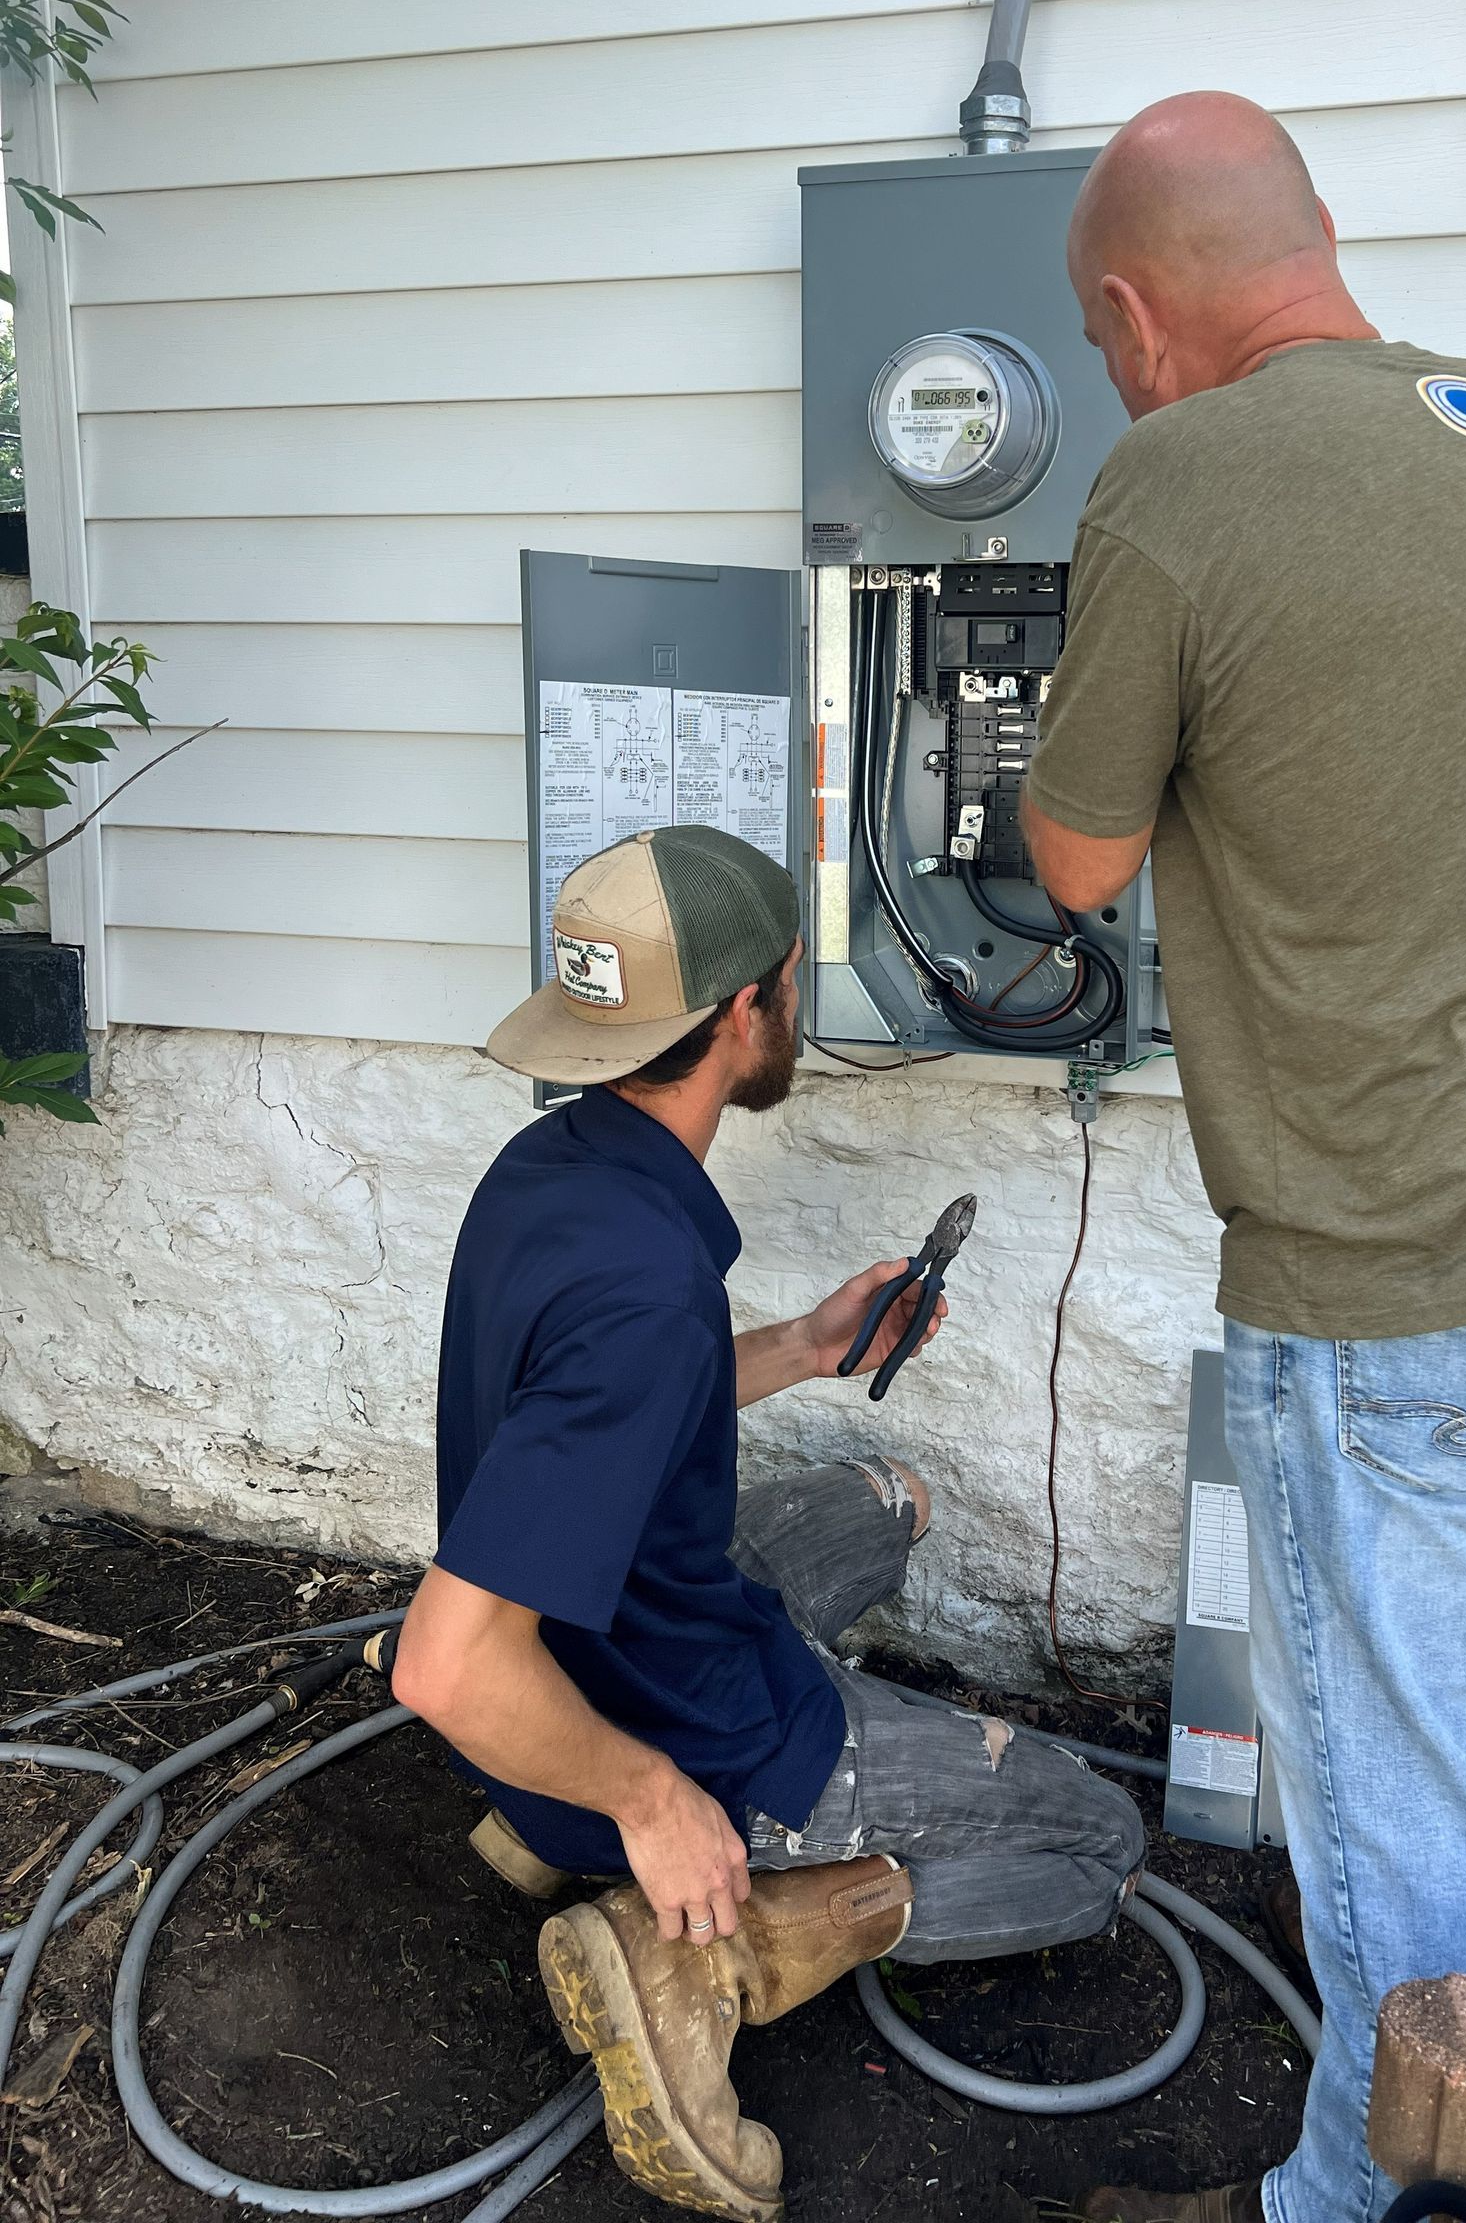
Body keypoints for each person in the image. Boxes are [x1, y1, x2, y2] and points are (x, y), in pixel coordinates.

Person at [1021, 94, 1466, 2223]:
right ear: (1317, 237)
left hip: (1397, 1252)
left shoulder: (1179, 473)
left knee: (1383, 1779)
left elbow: (1072, 855)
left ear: (1136, 316)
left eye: (1110, 338)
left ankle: (1393, 2197)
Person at [393, 824, 1144, 2223]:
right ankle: (711, 1945)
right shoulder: (637, 1288)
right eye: (791, 984)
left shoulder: (558, 1175)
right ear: (751, 1008)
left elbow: (612, 1405)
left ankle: (551, 1813)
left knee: (886, 1501)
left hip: (599, 1635)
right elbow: (439, 1667)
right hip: (690, 1730)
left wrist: (801, 1345)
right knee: (1100, 1848)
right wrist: (654, 1799)